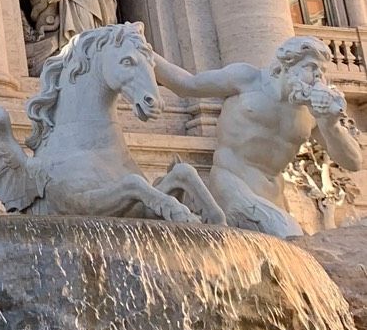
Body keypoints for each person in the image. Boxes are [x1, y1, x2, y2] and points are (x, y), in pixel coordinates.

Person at [153, 36, 363, 239]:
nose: (319, 78)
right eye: (311, 68)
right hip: (232, 184)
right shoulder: (246, 80)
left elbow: (353, 162)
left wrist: (330, 123)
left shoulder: (312, 112)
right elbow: (186, 85)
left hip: (275, 197)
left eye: (322, 71)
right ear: (287, 66)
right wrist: (142, 51)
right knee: (289, 236)